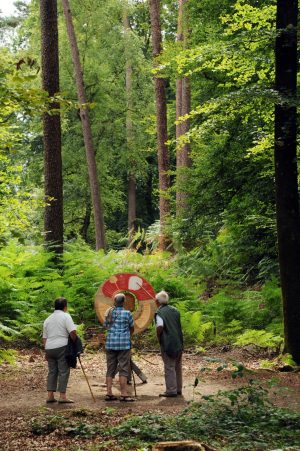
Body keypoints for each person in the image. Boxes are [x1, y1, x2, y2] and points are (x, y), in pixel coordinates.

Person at [42, 297, 77, 403]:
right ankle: (62, 396)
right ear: (65, 307)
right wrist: (75, 343)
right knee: (63, 371)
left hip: (49, 347)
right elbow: (73, 332)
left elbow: (44, 338)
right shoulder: (66, 316)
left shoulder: (48, 319)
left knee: (52, 371)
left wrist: (46, 351)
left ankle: (50, 396)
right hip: (62, 347)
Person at [104, 292, 135, 402]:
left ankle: (108, 393)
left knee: (110, 368)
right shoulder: (127, 313)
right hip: (124, 344)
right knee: (123, 368)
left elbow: (106, 326)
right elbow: (132, 327)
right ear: (124, 302)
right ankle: (123, 394)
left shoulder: (109, 313)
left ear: (114, 302)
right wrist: (127, 336)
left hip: (110, 343)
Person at [155, 290, 183, 397]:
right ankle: (178, 389)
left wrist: (159, 337)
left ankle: (171, 390)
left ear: (157, 301)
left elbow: (160, 326)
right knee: (177, 366)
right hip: (179, 341)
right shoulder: (175, 310)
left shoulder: (160, 313)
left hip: (168, 343)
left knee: (169, 366)